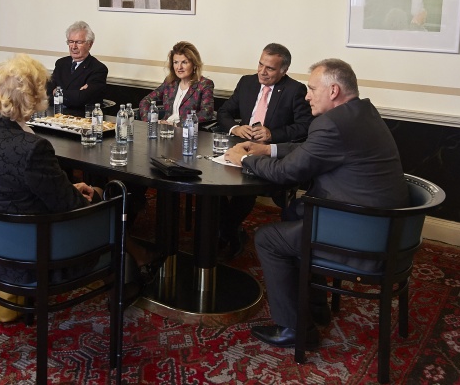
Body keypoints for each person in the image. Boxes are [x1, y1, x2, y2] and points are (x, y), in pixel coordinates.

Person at [224, 58, 408, 348]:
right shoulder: (360, 112)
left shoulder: (331, 124)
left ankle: (295, 329)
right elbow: (312, 148)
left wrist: (245, 159)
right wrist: (269, 148)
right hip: (385, 225)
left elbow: (288, 172)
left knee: (267, 238)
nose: (306, 95)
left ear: (333, 90)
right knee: (293, 211)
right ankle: (315, 305)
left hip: (361, 235)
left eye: (311, 89)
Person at [0, 54, 155, 290]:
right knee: (111, 205)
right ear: (31, 97)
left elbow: (7, 188)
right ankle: (127, 292)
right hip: (36, 256)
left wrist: (69, 188)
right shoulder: (32, 148)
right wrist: (95, 197)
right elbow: (72, 208)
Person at [215, 43, 313, 260]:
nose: (262, 71)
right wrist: (236, 127)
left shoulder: (295, 90)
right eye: (260, 64)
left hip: (267, 154)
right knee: (212, 183)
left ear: (283, 70)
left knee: (246, 186)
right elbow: (224, 112)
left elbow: (305, 126)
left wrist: (272, 135)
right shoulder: (247, 82)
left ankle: (226, 233)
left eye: (269, 68)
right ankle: (228, 230)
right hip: (237, 146)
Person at [138, 41, 214, 125]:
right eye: (176, 62)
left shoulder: (204, 84)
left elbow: (206, 114)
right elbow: (145, 101)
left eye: (184, 62)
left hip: (188, 133)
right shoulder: (170, 82)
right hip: (165, 131)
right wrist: (150, 121)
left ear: (194, 64)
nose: (179, 67)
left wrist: (177, 125)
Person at [48, 21, 108, 109]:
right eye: (71, 42)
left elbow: (82, 98)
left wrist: (57, 92)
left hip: (81, 117)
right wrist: (74, 93)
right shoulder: (61, 63)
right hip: (56, 114)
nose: (73, 46)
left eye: (79, 42)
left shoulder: (98, 69)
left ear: (90, 44)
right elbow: (48, 92)